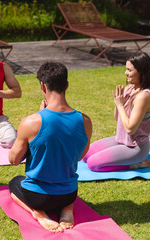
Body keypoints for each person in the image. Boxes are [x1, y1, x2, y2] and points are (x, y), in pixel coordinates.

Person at [8, 62, 92, 233]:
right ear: (66, 85)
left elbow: (14, 160)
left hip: (38, 198)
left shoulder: (31, 122)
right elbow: (79, 156)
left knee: (14, 183)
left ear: (42, 86)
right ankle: (67, 209)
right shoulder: (85, 121)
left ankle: (38, 214)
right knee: (64, 191)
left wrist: (39, 119)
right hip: (69, 194)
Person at [83, 52, 150, 172]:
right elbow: (118, 118)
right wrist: (118, 105)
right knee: (85, 155)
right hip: (121, 140)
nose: (125, 73)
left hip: (135, 147)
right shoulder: (130, 88)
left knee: (93, 164)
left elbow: (130, 129)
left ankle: (136, 164)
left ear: (141, 71)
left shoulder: (144, 96)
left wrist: (120, 105)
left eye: (129, 70)